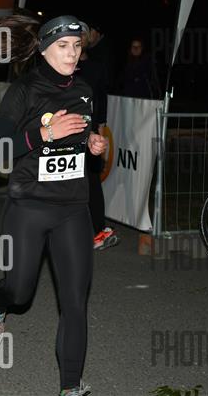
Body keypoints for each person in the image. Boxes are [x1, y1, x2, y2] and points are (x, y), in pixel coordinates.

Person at [0, 15, 107, 396]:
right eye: (63, 46)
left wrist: (92, 143)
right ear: (43, 49)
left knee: (75, 301)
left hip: (73, 208)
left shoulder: (84, 90)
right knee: (20, 293)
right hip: (29, 206)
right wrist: (45, 133)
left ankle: (70, 386)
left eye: (77, 46)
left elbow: (84, 132)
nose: (72, 53)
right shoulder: (24, 90)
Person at [77, 29, 119, 251]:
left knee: (92, 181)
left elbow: (101, 100)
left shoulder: (96, 68)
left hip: (89, 132)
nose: (79, 39)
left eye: (83, 34)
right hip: (62, 132)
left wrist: (100, 129)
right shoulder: (62, 67)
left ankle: (99, 230)